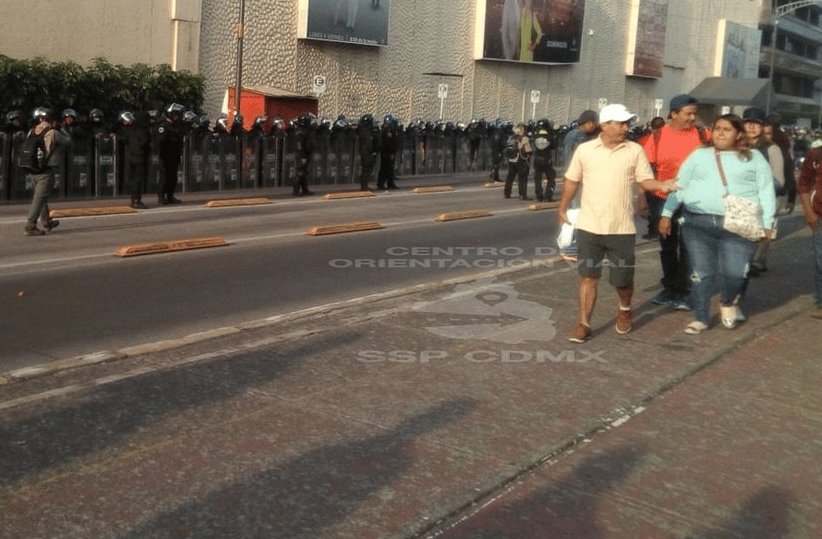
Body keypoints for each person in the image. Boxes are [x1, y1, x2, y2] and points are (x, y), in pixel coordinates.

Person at [558, 104, 679, 343]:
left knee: (622, 280)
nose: (626, 128)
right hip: (589, 226)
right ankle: (583, 323)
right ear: (605, 125)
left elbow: (645, 180)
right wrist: (562, 207)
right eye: (621, 123)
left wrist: (662, 185)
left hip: (622, 229)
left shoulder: (634, 150)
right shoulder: (585, 150)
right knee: (588, 276)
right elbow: (572, 180)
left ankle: (624, 308)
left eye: (627, 123)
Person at [658, 114, 776, 334]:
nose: (720, 133)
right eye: (718, 128)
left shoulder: (754, 158)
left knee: (736, 273)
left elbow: (766, 191)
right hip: (697, 223)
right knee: (702, 274)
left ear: (738, 134)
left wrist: (768, 223)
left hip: (739, 225)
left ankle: (728, 302)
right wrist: (666, 214)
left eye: (727, 129)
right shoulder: (699, 155)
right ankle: (701, 317)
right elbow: (680, 185)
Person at [642, 94, 710, 310]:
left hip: (693, 199)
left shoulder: (704, 135)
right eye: (688, 114)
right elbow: (644, 172)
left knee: (689, 245)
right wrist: (642, 199)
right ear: (674, 114)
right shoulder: (656, 137)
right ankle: (670, 287)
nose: (692, 118)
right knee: (667, 245)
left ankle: (685, 291)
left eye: (694, 114)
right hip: (661, 198)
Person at [743, 107, 784, 277]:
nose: (752, 127)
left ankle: (757, 262)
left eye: (757, 124)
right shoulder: (735, 145)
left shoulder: (771, 148)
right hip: (741, 199)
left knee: (763, 232)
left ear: (763, 127)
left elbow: (780, 180)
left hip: (766, 197)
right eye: (748, 123)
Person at [23, 107, 70, 236]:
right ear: (51, 120)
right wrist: (63, 130)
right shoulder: (53, 132)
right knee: (39, 199)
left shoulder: (31, 131)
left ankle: (46, 221)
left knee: (40, 196)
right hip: (45, 170)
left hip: (33, 169)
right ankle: (30, 225)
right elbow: (68, 142)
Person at [796, 142, 822, 313]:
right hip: (820, 215)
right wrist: (808, 211)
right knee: (821, 262)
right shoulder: (815, 155)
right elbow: (803, 184)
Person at [116, 111, 151, 209]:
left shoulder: (132, 130)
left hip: (133, 157)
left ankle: (135, 200)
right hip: (138, 157)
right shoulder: (140, 129)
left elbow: (124, 139)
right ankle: (136, 200)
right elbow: (145, 142)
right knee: (137, 180)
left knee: (135, 180)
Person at [157, 103, 185, 204]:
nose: (178, 117)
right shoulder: (164, 126)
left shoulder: (175, 126)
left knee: (173, 177)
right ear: (170, 114)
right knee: (164, 177)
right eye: (176, 115)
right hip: (166, 157)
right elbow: (160, 142)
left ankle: (170, 196)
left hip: (174, 156)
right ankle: (161, 197)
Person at [503, 123, 532, 200]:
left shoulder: (511, 138)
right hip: (521, 160)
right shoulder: (525, 138)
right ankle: (522, 194)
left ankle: (507, 193)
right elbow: (528, 150)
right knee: (522, 178)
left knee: (510, 177)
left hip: (511, 159)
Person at [530, 118, 556, 202]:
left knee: (538, 178)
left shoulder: (535, 134)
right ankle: (548, 196)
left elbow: (533, 144)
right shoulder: (549, 135)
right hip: (546, 158)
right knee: (551, 178)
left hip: (537, 158)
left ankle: (539, 196)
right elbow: (554, 146)